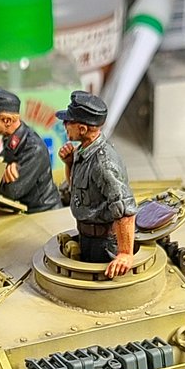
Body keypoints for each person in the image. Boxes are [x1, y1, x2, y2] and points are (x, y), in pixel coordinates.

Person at [56, 91, 138, 279]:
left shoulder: (103, 164)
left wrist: (125, 253)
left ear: (82, 129)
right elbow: (78, 191)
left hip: (104, 243)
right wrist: (69, 163)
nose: (65, 125)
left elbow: (125, 210)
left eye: (68, 122)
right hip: (87, 237)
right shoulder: (84, 152)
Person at [0, 87, 60, 213]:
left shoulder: (33, 148)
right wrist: (1, 176)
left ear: (7, 120)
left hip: (43, 212)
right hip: (25, 209)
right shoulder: (11, 140)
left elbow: (13, 191)